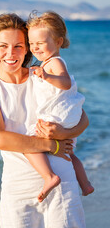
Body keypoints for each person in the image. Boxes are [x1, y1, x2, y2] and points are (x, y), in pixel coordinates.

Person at [0, 13, 88, 228]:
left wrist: (62, 133)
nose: (11, 53)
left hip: (61, 183)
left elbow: (82, 118)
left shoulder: (42, 75)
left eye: (19, 46)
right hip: (17, 188)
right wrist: (52, 144)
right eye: (3, 46)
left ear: (28, 48)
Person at [25, 11, 94, 202]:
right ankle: (85, 184)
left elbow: (65, 82)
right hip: (68, 116)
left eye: (40, 43)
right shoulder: (47, 62)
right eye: (31, 43)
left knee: (28, 144)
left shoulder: (54, 62)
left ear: (58, 42)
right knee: (69, 153)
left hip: (58, 115)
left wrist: (46, 76)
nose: (35, 48)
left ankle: (50, 177)